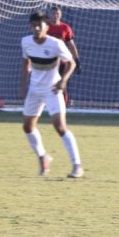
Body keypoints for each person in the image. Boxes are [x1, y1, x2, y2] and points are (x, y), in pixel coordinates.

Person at [20, 10, 83, 178]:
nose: (36, 28)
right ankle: (43, 157)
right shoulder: (25, 42)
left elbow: (71, 63)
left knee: (60, 127)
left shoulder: (55, 44)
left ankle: (77, 166)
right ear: (30, 27)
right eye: (33, 25)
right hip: (34, 90)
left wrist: (63, 81)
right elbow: (26, 62)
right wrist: (23, 85)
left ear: (46, 27)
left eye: (39, 25)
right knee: (27, 127)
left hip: (52, 90)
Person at [47, 6, 81, 107]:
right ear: (49, 15)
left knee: (62, 83)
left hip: (61, 62)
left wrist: (77, 60)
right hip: (47, 62)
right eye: (53, 13)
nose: (55, 16)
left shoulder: (65, 28)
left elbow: (71, 45)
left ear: (60, 15)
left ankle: (64, 105)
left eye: (57, 14)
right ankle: (46, 104)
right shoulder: (44, 26)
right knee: (46, 84)